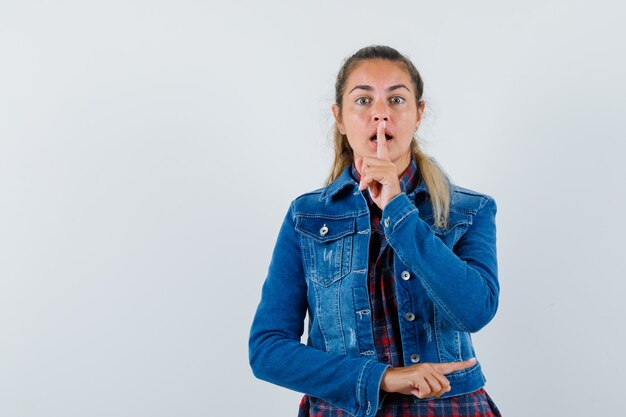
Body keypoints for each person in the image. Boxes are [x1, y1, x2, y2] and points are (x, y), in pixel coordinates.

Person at [248, 45, 502, 417]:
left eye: (396, 100)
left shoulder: (470, 209)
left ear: (418, 115)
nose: (381, 114)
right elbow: (267, 350)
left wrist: (398, 210)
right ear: (339, 118)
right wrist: (383, 378)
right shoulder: (306, 216)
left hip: (449, 409)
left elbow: (475, 311)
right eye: (363, 100)